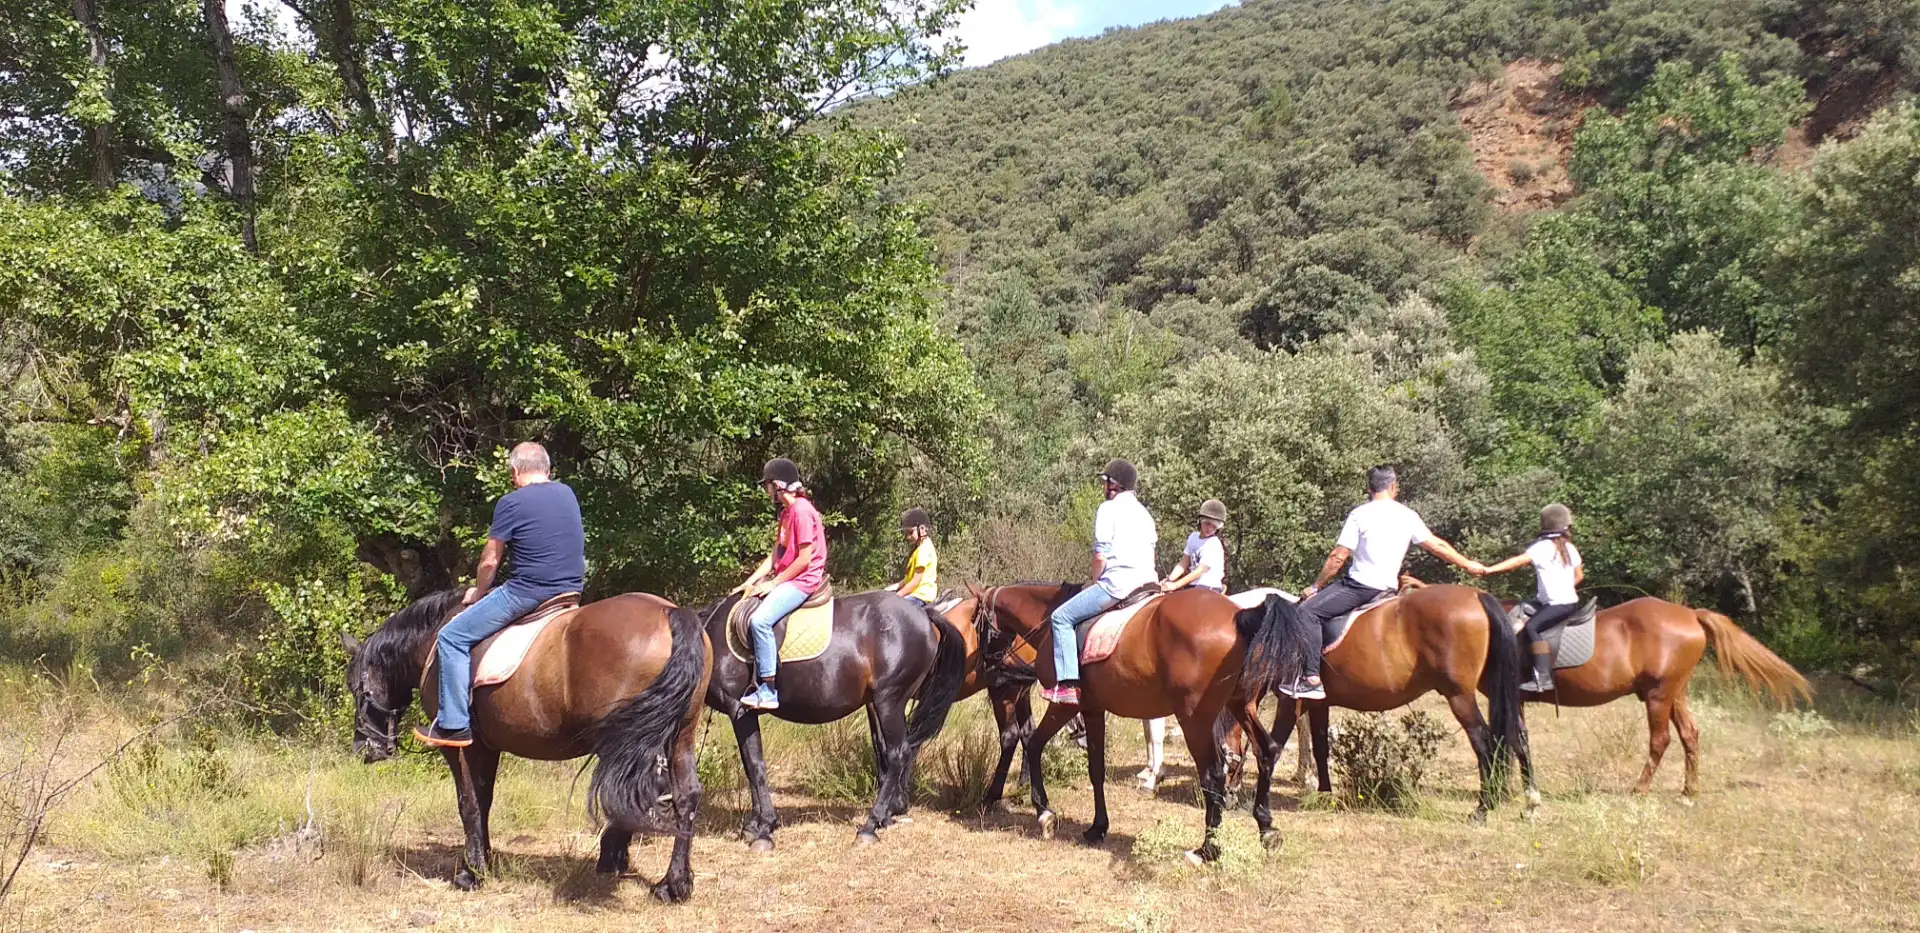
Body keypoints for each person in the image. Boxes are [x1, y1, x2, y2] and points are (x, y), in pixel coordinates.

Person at [416, 442, 586, 748]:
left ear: (515, 472)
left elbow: (491, 560)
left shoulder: (512, 502)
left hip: (529, 592)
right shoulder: (567, 494)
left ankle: (453, 725)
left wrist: (478, 592)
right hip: (570, 591)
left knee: (452, 636)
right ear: (547, 470)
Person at [1281, 465, 1485, 700]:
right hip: (1389, 588)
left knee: (1307, 612)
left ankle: (1312, 679)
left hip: (1360, 587)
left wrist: (1316, 586)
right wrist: (1467, 564)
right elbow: (1436, 545)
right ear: (1393, 487)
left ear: (1369, 489)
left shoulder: (1360, 514)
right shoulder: (1407, 515)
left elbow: (1338, 557)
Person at [1042, 459, 1158, 706]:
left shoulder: (1108, 509)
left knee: (1060, 618)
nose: (1103, 487)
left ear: (1114, 484)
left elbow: (1099, 554)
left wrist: (1096, 580)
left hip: (1118, 585)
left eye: (1105, 482)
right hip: (1149, 585)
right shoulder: (1145, 514)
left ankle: (1068, 684)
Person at [730, 458, 828, 711]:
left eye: (767, 486)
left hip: (803, 580)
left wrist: (774, 584)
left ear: (778, 485)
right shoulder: (786, 514)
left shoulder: (803, 512)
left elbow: (804, 559)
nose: (766, 491)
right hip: (789, 576)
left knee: (760, 621)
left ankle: (768, 689)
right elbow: (776, 555)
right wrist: (749, 582)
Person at [1477, 503, 1585, 692]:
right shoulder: (1569, 547)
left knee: (1533, 628)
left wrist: (1489, 569)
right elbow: (1579, 576)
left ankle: (1542, 678)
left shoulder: (1542, 548)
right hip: (1569, 602)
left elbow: (1517, 561)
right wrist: (1564, 588)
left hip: (1557, 604)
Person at [1160, 499, 1229, 594]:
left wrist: (1175, 585)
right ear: (1200, 521)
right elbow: (1183, 563)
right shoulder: (1193, 537)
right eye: (1207, 523)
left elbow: (1200, 570)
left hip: (1209, 586)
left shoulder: (1213, 544)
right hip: (1192, 584)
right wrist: (1169, 580)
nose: (1210, 528)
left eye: (1214, 526)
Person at [892, 507, 938, 608]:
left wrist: (897, 596)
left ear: (922, 529)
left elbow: (915, 582)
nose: (908, 537)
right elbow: (907, 580)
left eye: (910, 532)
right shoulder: (919, 549)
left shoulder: (923, 550)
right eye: (906, 534)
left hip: (920, 596)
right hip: (916, 594)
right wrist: (889, 589)